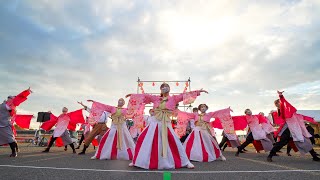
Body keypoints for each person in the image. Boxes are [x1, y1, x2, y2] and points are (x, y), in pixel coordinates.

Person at [126, 83, 208, 169]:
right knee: (142, 139)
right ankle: (136, 160)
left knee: (175, 142)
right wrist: (133, 95)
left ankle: (185, 162)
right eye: (162, 87)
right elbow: (144, 96)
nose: (164, 88)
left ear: (169, 88)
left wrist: (199, 91)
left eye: (166, 86)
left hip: (166, 123)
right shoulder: (156, 98)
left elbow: (185, 95)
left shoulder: (174, 98)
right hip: (154, 122)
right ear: (160, 90)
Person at [267, 91, 319, 162]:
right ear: (276, 105)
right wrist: (281, 96)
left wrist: (311, 121)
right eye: (278, 103)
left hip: (296, 128)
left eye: (279, 102)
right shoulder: (281, 111)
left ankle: (314, 156)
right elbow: (283, 103)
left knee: (305, 141)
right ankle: (270, 155)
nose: (280, 103)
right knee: (281, 143)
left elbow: (300, 116)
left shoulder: (288, 109)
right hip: (288, 128)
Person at [0, 88, 32, 157]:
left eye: (10, 98)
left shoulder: (11, 107)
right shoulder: (5, 104)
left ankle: (14, 152)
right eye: (8, 97)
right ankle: (16, 148)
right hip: (1, 124)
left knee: (10, 138)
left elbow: (19, 98)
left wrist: (26, 92)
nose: (8, 98)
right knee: (7, 138)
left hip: (5, 124)